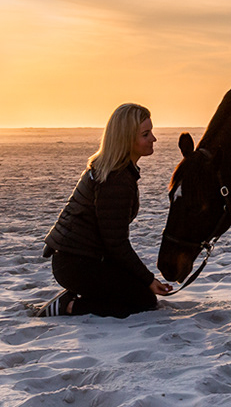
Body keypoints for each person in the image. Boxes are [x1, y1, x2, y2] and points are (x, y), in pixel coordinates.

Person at [31, 103, 174, 318]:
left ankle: (82, 295)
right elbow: (115, 242)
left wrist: (143, 279)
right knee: (142, 300)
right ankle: (68, 306)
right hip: (75, 263)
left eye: (151, 132)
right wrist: (148, 279)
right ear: (126, 139)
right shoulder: (115, 178)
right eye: (146, 134)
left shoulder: (119, 171)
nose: (153, 139)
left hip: (86, 258)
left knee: (139, 291)